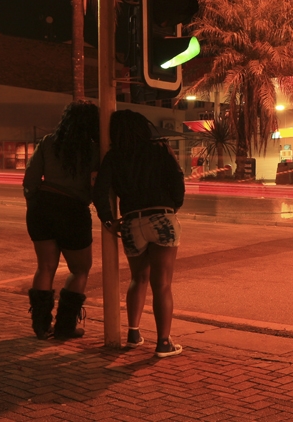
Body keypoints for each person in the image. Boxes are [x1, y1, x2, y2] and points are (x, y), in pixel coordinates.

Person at [93, 110, 185, 358]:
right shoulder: (160, 149)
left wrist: (108, 220)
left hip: (132, 222)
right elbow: (177, 180)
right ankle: (163, 342)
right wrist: (173, 206)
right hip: (161, 217)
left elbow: (100, 191)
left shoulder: (114, 156)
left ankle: (133, 334)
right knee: (162, 284)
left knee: (138, 278)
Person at [22, 101, 99, 340]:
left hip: (42, 207)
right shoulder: (94, 149)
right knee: (80, 269)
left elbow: (30, 180)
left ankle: (41, 326)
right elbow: (97, 186)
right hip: (73, 210)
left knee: (45, 267)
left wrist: (35, 204)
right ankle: (65, 327)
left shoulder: (48, 142)